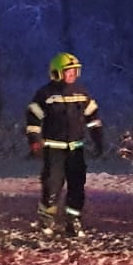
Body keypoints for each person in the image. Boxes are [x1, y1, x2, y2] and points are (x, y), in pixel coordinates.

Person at [25, 52, 105, 236]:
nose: (72, 75)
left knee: (77, 186)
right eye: (68, 72)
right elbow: (33, 118)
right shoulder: (45, 94)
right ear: (57, 73)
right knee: (52, 185)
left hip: (76, 148)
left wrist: (98, 138)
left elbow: (92, 117)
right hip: (54, 148)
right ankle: (46, 220)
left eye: (74, 72)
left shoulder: (81, 92)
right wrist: (34, 140)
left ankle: (73, 221)